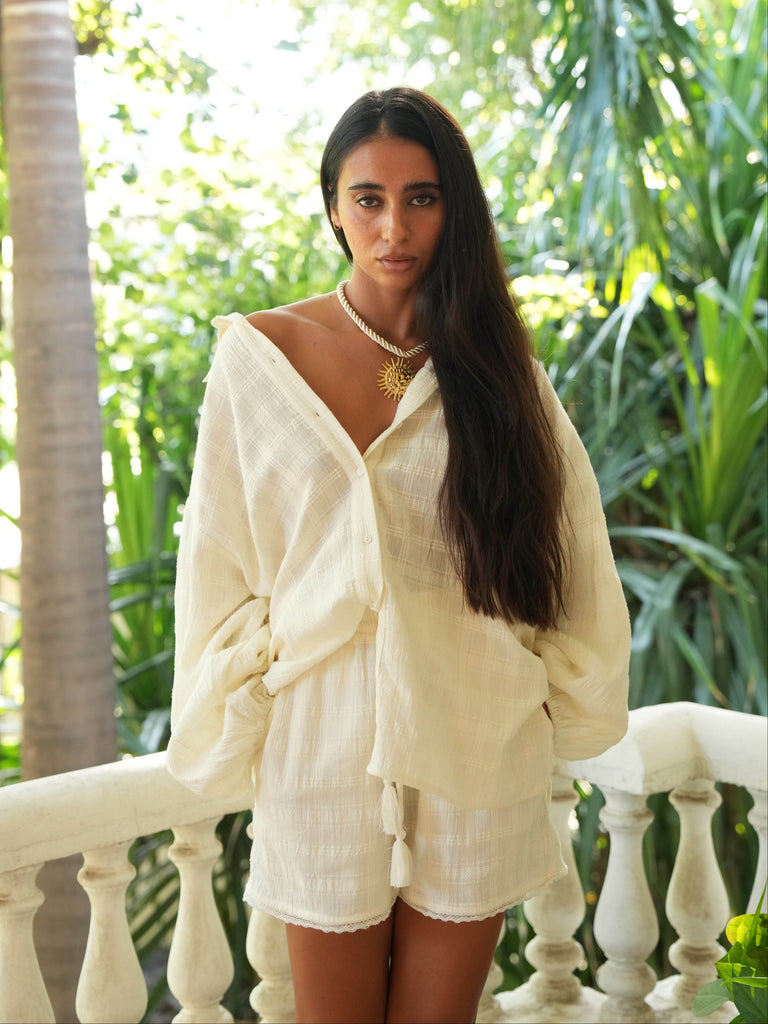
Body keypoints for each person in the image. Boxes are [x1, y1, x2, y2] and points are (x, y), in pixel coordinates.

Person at [166, 87, 631, 1024]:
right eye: (368, 197)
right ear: (332, 205)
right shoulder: (259, 361)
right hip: (319, 749)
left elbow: (572, 554)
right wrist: (244, 693)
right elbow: (218, 563)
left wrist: (548, 690)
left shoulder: (502, 374)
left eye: (421, 197)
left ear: (453, 206)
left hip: (477, 740)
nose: (394, 226)